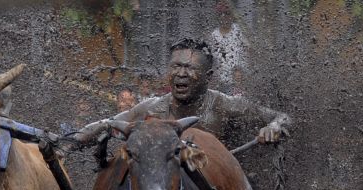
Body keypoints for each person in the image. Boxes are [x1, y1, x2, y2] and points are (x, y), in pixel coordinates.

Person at [72, 38, 290, 149]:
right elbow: (107, 123)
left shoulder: (223, 105)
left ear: (208, 76)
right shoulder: (153, 107)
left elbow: (283, 117)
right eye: (175, 67)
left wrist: (273, 126)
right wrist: (66, 143)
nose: (181, 74)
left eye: (190, 68)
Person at [209, 0, 249, 94]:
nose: (224, 17)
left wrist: (242, 72)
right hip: (221, 82)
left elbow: (248, 52)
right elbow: (213, 61)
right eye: (221, 14)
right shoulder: (214, 35)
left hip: (239, 81)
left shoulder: (238, 31)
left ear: (231, 15)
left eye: (227, 13)